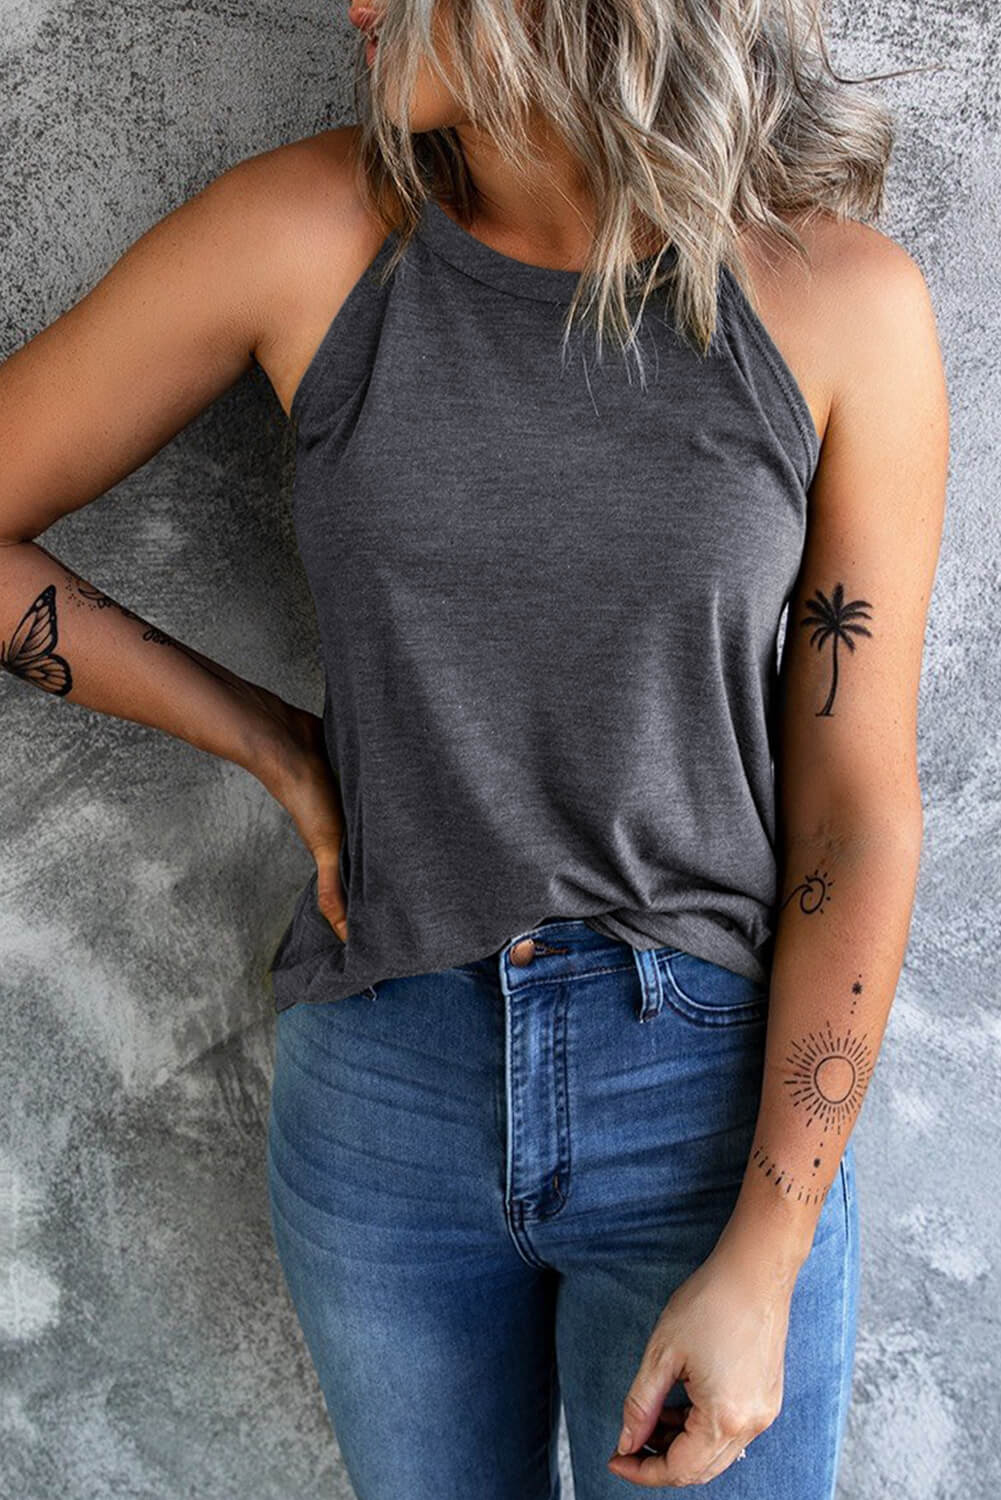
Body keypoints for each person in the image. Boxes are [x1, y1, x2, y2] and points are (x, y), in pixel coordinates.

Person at [0, 0, 949, 1495]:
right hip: (386, 1086)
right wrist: (267, 740)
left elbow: (857, 813)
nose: (357, 7)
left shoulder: (837, 301)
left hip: (712, 1113)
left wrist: (767, 1252)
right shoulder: (304, 235)